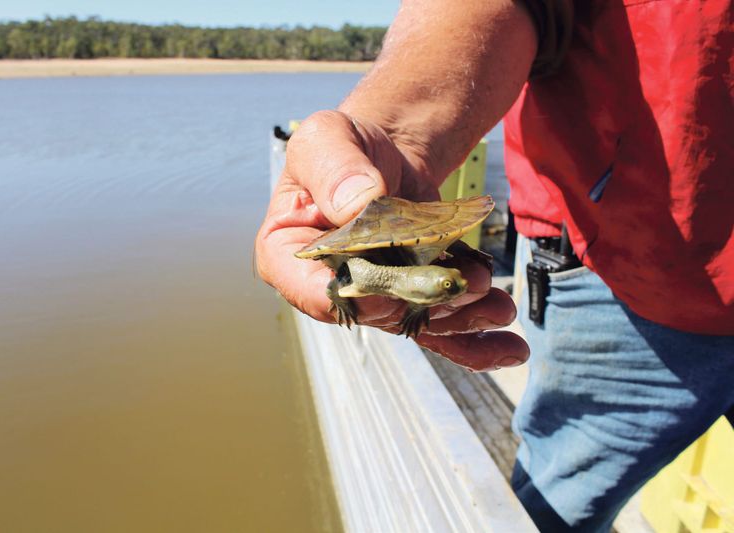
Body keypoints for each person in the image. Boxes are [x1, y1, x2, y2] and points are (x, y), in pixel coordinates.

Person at [256, 0, 734, 530]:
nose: (452, 284)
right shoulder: (380, 273)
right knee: (561, 502)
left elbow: (436, 282)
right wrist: (394, 134)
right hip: (622, 267)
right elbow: (348, 279)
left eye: (446, 285)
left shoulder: (433, 276)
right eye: (446, 285)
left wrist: (436, 279)